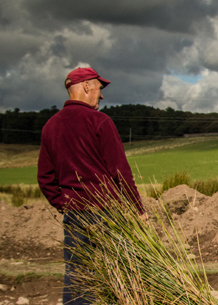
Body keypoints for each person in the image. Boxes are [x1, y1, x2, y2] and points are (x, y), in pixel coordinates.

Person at [37, 67, 145, 305]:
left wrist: (64, 204)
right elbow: (121, 173)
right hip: (108, 214)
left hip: (75, 215)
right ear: (86, 86)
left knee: (78, 275)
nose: (102, 95)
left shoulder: (50, 126)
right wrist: (138, 210)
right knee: (118, 273)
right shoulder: (101, 121)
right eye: (99, 87)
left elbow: (45, 177)